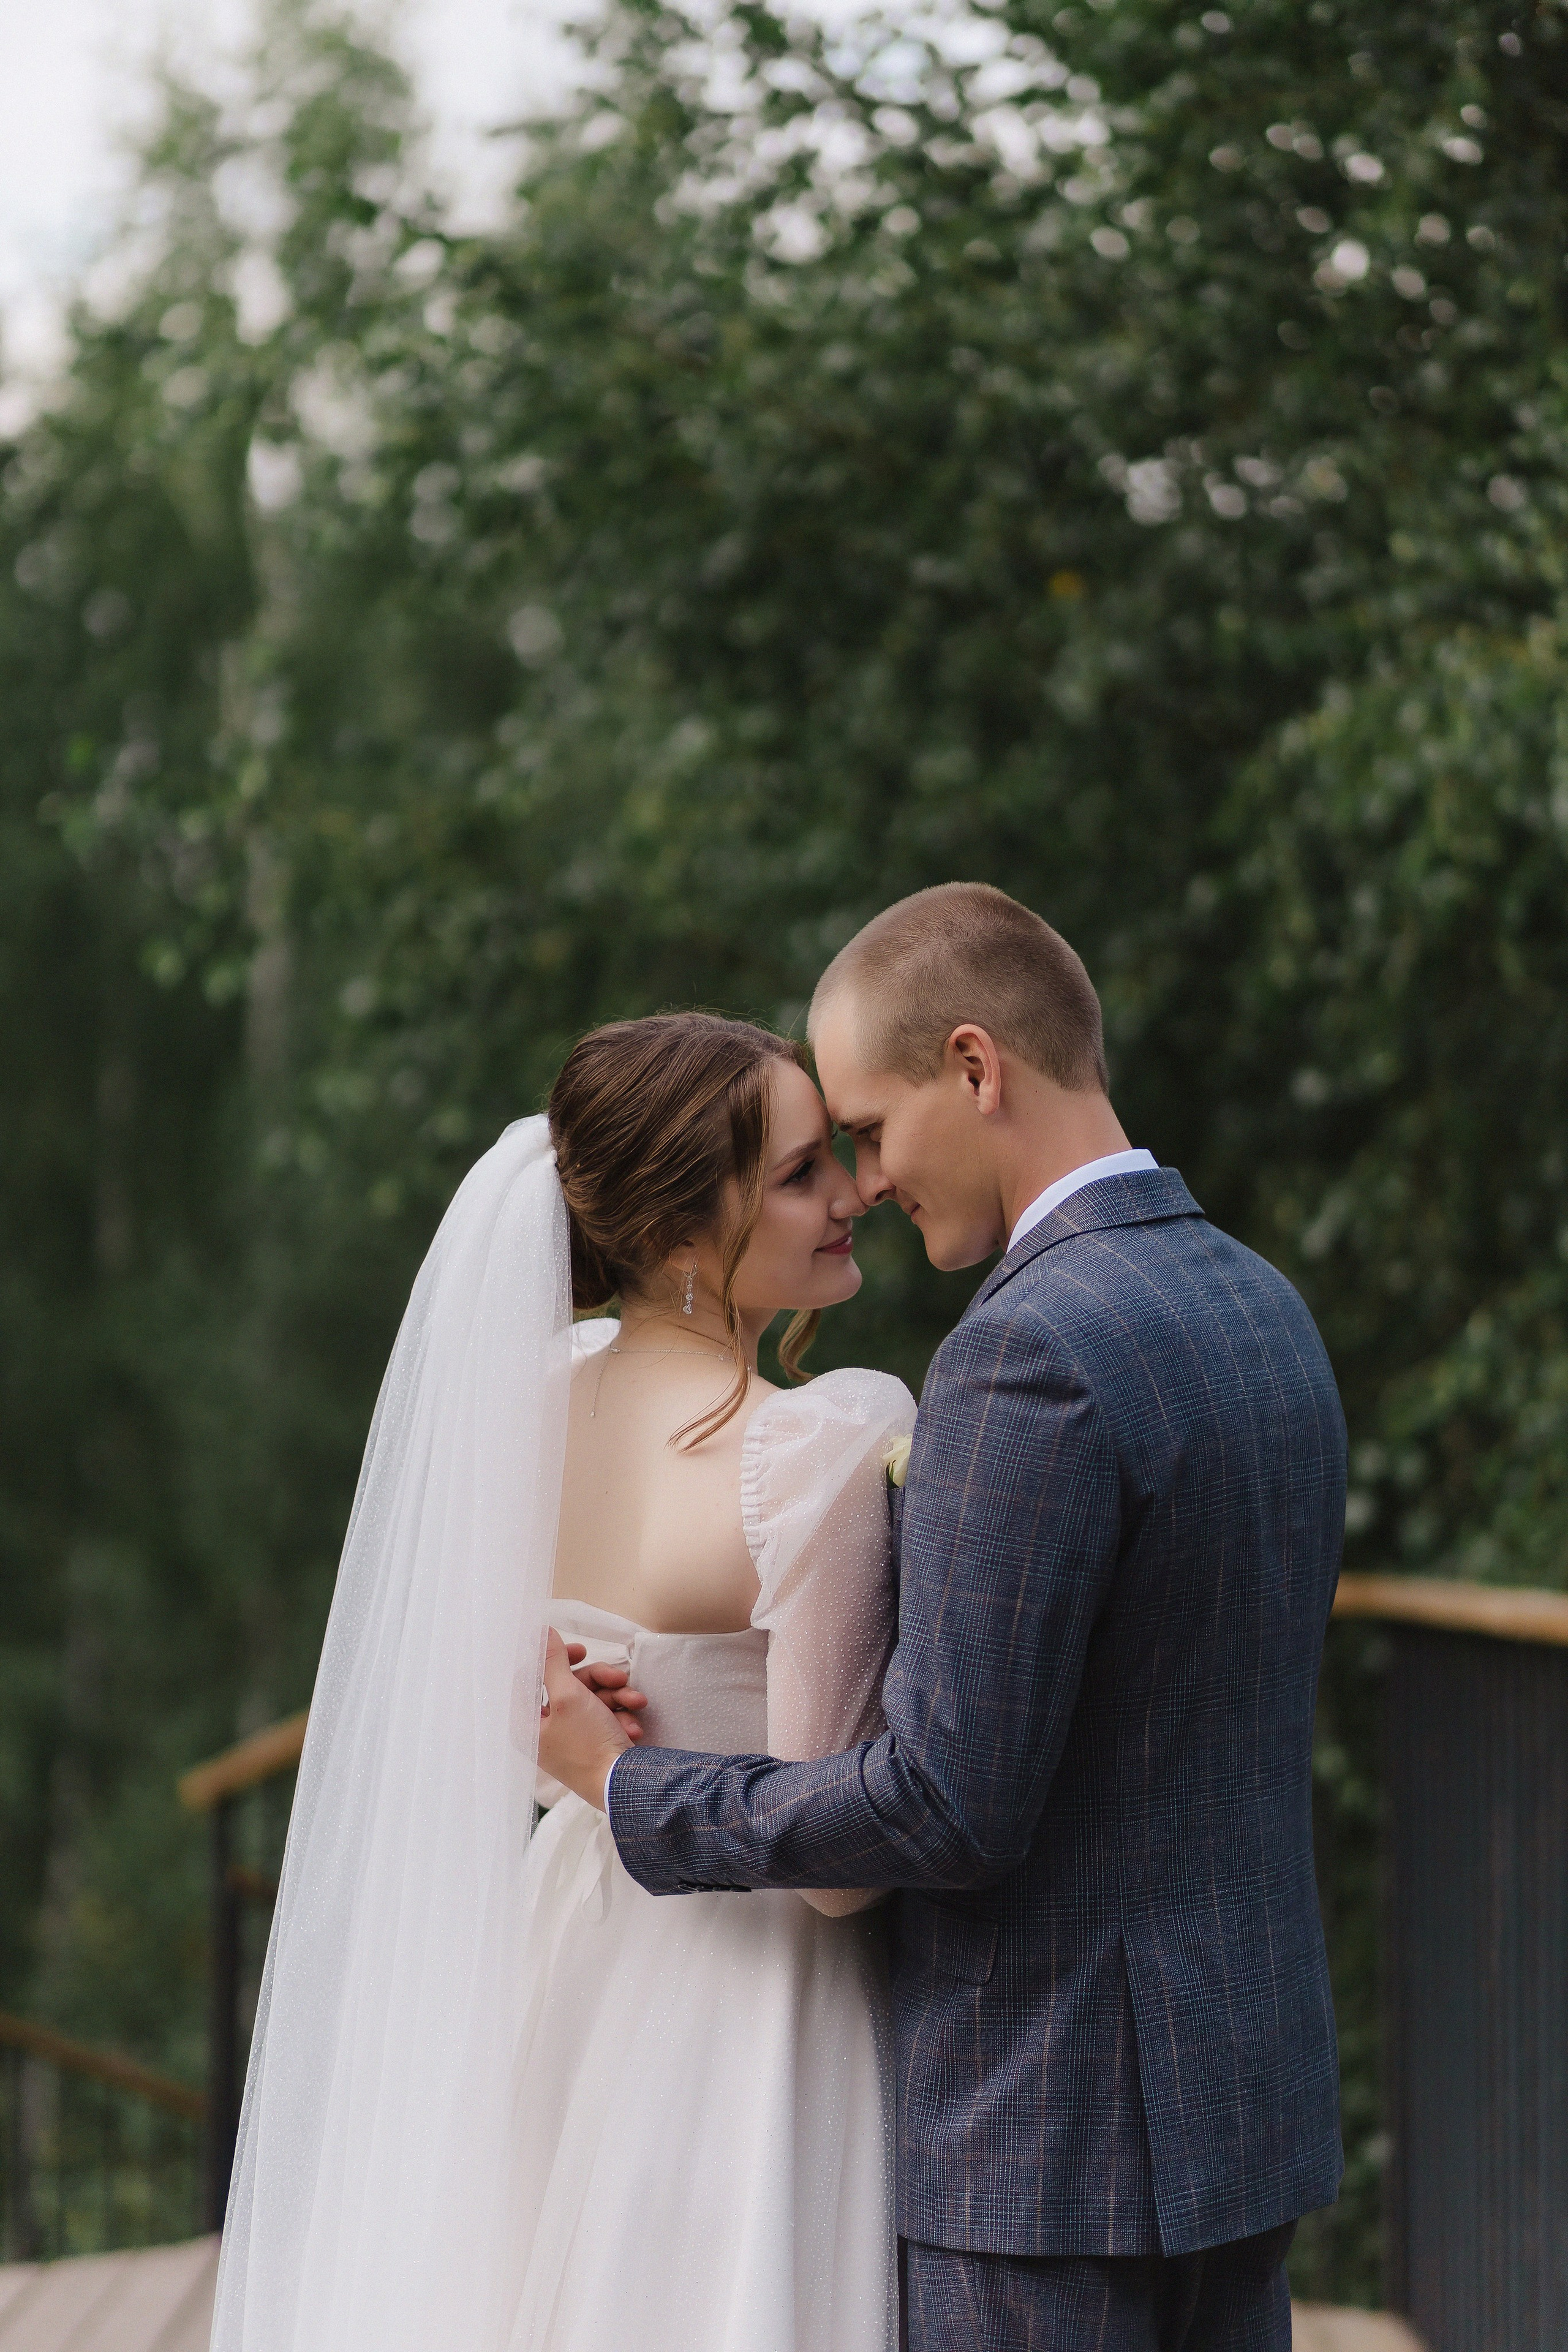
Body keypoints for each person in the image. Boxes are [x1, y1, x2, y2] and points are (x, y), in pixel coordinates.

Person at [540, 883, 1348, 2352]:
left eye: (863, 1129)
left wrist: (629, 1785)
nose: (866, 1181)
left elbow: (942, 1804)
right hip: (1241, 2109)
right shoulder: (1261, 1309)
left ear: (973, 1067)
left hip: (1045, 2147)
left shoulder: (1025, 1350)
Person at [210, 1012, 913, 2352]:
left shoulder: (519, 1404)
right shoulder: (826, 1441)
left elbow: (510, 1730)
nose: (852, 1195)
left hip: (573, 1945)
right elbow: (837, 1872)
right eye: (800, 1174)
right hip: (762, 1993)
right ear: (679, 1236)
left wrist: (591, 1751)